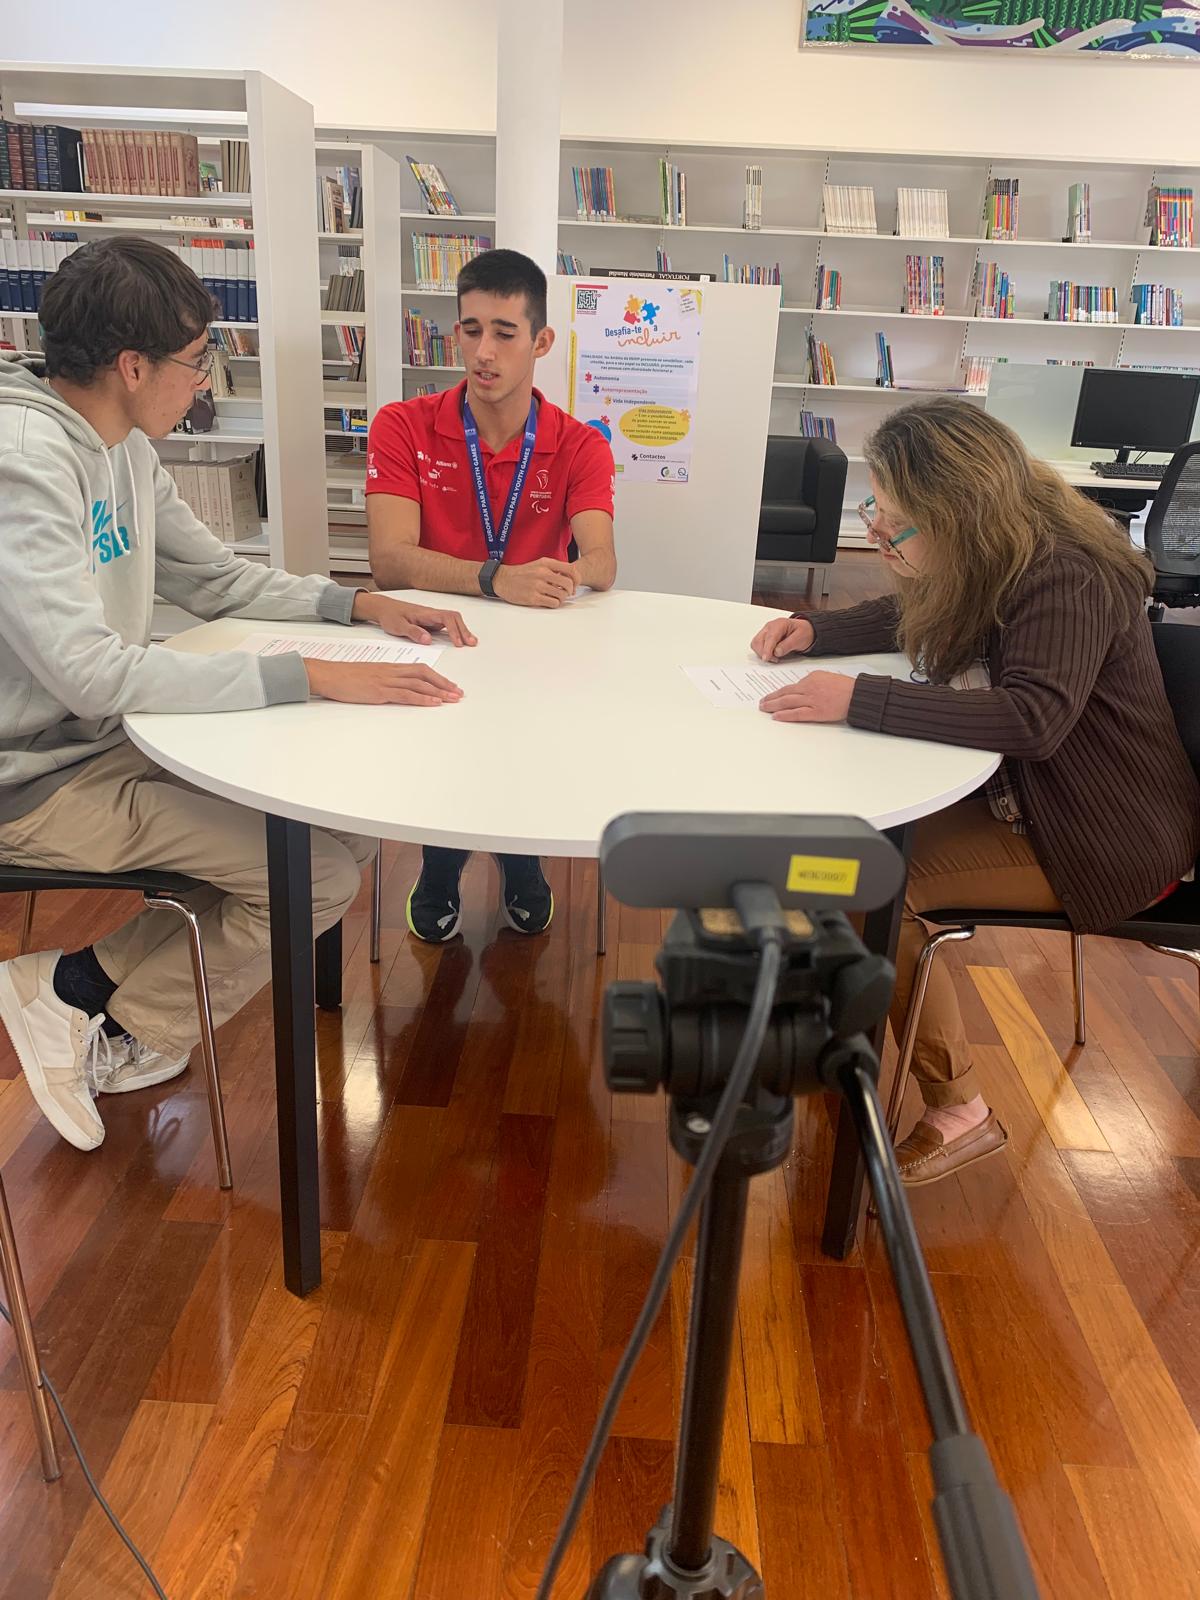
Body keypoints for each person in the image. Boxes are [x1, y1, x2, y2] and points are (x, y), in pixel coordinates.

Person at [0, 235, 475, 1154]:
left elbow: (215, 579)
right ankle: (112, 1017)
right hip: (32, 780)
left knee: (339, 828)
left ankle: (73, 988)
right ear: (132, 367)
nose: (202, 381)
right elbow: (89, 671)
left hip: (100, 739)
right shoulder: (25, 462)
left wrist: (353, 604)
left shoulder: (123, 446)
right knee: (316, 877)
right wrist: (309, 675)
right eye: (196, 360)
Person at [749, 399, 1200, 1186]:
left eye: (897, 525)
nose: (879, 536)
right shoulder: (1001, 543)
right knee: (822, 845)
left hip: (1096, 834)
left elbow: (1032, 720)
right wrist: (821, 631)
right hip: (1028, 797)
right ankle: (840, 1023)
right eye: (875, 513)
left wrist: (857, 698)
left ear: (959, 513)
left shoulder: (1067, 574)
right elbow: (921, 607)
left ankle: (960, 1110)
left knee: (859, 881)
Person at [366, 247, 616, 943]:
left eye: (505, 333)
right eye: (471, 330)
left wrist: (573, 571)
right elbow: (388, 563)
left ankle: (521, 854)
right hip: (432, 632)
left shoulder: (580, 444)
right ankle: (440, 860)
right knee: (444, 748)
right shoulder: (402, 424)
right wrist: (495, 577)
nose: (484, 351)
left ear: (541, 342)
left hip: (536, 639)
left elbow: (603, 561)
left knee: (528, 746)